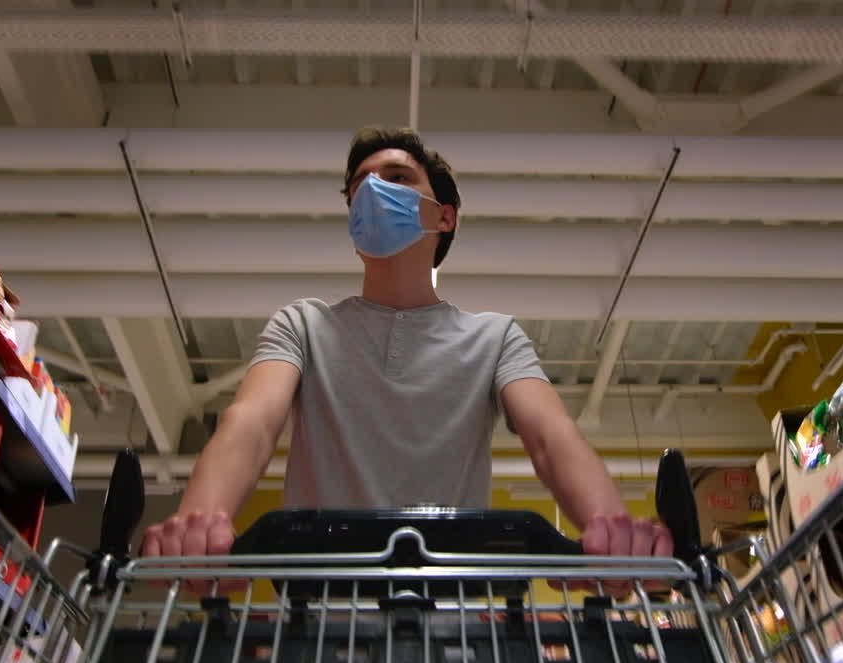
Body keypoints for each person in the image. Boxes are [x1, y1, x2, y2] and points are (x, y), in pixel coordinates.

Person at [142, 126, 673, 565]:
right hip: (318, 611)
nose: (373, 192)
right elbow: (252, 423)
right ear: (353, 223)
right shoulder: (302, 325)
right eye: (360, 187)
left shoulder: (496, 338)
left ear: (445, 215)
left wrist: (611, 529)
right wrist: (199, 523)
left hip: (455, 613)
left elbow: (550, 436)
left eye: (397, 178)